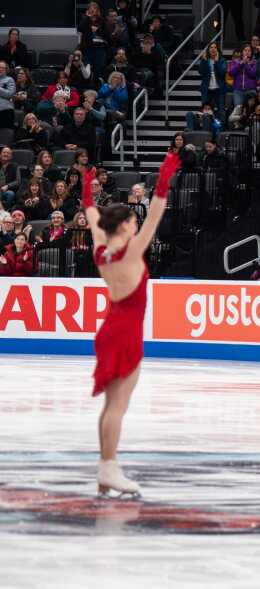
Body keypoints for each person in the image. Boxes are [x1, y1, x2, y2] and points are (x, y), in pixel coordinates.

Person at [81, 150, 180, 497]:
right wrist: (164, 182)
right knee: (118, 406)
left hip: (111, 327)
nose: (137, 226)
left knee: (112, 405)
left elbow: (92, 215)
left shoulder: (100, 248)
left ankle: (106, 466)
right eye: (132, 223)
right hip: (125, 332)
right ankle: (109, 467)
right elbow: (154, 214)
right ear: (124, 225)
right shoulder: (131, 251)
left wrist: (87, 192)